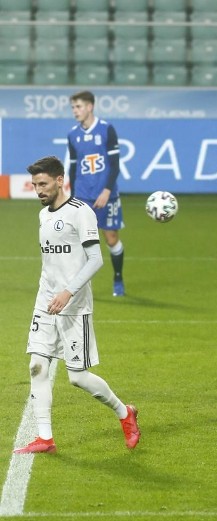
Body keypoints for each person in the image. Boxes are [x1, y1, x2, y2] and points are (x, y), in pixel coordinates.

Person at [14, 156, 140, 454]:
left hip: (74, 304)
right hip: (46, 301)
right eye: (34, 185)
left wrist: (68, 292)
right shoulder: (44, 215)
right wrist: (49, 293)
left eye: (43, 184)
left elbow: (96, 259)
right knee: (36, 365)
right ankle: (45, 437)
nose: (38, 190)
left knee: (78, 378)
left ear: (60, 181)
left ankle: (125, 413)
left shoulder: (80, 213)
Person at [67, 90, 125, 297]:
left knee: (110, 239)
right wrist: (72, 197)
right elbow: (73, 168)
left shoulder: (106, 130)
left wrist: (107, 190)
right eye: (73, 107)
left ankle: (118, 278)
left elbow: (115, 165)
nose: (75, 111)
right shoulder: (73, 135)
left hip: (106, 195)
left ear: (90, 107)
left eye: (79, 107)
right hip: (83, 195)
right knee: (78, 241)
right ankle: (76, 286)